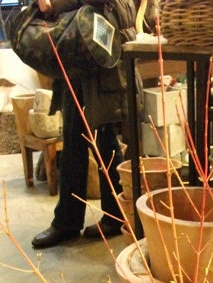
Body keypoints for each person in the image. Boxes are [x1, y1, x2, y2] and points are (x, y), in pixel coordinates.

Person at [32, 0, 138, 249]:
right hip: (83, 44)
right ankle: (68, 220)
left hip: (101, 45)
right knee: (73, 138)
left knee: (104, 138)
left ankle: (114, 216)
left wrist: (56, 3)